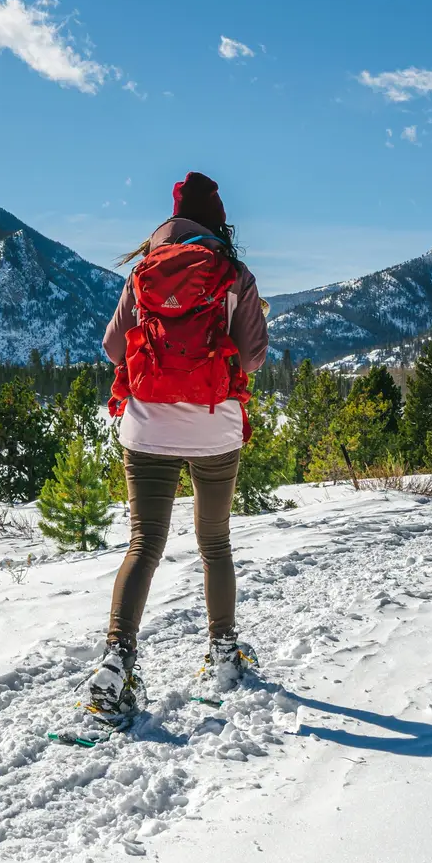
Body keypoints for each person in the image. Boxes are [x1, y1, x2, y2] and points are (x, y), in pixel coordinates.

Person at [89, 171, 269, 716]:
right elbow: (254, 356)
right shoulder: (233, 274)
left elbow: (113, 348)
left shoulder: (144, 270)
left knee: (144, 543)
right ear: (217, 219)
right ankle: (222, 654)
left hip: (146, 425)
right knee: (214, 544)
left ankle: (117, 660)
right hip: (214, 423)